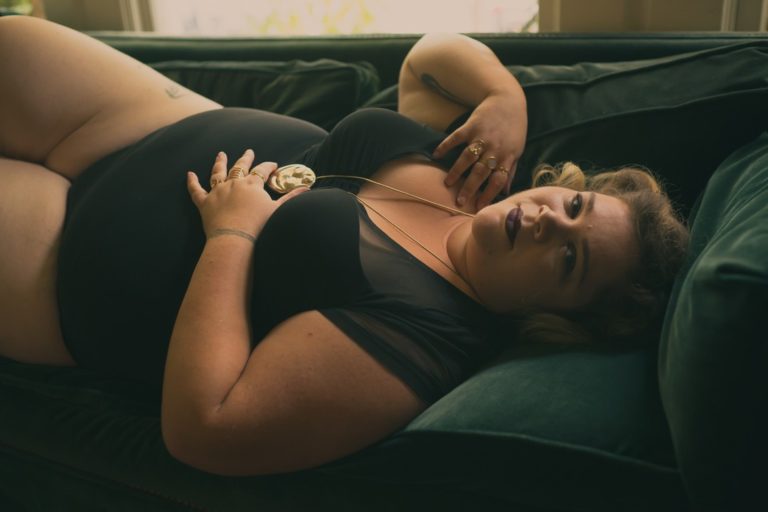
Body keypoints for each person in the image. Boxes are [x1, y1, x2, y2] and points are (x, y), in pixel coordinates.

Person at [0, 17, 688, 476]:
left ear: (554, 320)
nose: (549, 222)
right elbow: (428, 61)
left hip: (62, 252)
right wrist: (503, 93)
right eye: (573, 205)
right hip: (140, 118)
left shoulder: (426, 338)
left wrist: (234, 234)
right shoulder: (478, 176)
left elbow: (205, 427)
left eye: (570, 259)